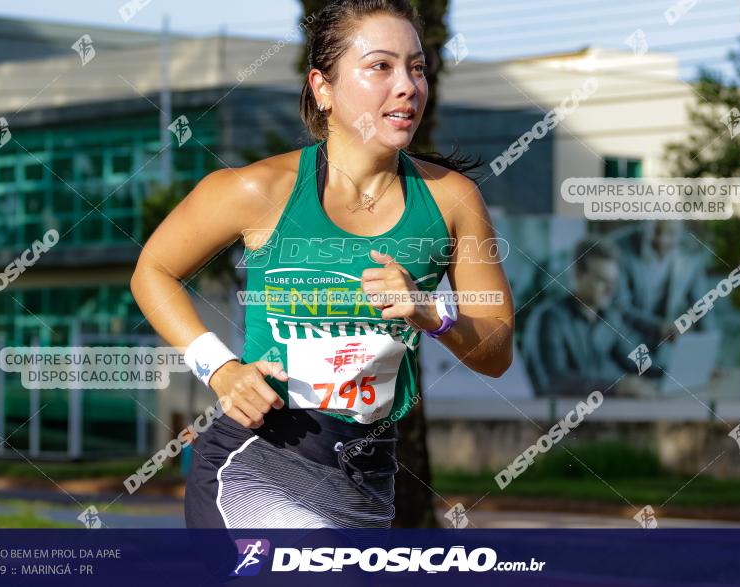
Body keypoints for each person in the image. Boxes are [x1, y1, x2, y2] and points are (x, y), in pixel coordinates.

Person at [130, 0, 514, 529]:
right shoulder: (255, 190)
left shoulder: (453, 200)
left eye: (417, 67)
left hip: (368, 478)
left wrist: (433, 314)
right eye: (380, 66)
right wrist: (219, 370)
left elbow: (496, 352)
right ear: (323, 88)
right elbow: (153, 271)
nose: (407, 85)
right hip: (256, 464)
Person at [523, 238, 660, 397]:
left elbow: (642, 364)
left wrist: (675, 372)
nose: (610, 290)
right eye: (602, 280)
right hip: (556, 417)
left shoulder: (609, 318)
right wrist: (618, 387)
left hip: (598, 415)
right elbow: (554, 382)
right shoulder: (549, 319)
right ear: (577, 276)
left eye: (613, 281)